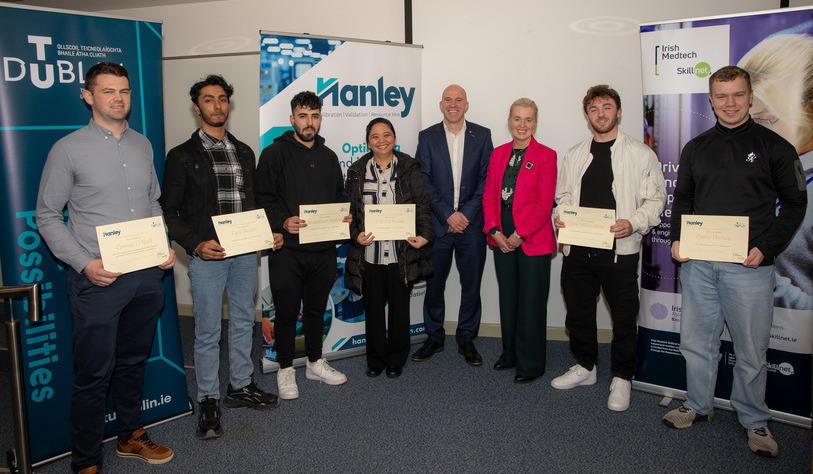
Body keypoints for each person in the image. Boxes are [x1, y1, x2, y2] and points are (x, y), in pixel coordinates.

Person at [36, 62, 176, 473]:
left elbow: (152, 203)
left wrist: (163, 243)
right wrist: (84, 264)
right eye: (108, 91)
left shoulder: (143, 145)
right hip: (97, 280)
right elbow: (47, 215)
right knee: (94, 374)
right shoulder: (68, 149)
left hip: (146, 277)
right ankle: (85, 461)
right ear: (88, 95)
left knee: (134, 363)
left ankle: (131, 436)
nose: (118, 98)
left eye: (125, 91)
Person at [664, 66, 806, 457]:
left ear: (750, 96)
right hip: (699, 266)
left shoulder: (775, 147)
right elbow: (684, 200)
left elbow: (795, 203)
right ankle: (698, 404)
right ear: (710, 100)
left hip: (750, 267)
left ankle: (755, 420)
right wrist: (677, 238)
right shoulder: (696, 147)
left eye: (737, 95)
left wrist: (767, 247)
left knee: (750, 350)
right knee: (696, 342)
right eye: (721, 96)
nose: (729, 103)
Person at [160, 75, 283, 440]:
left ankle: (239, 387)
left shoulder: (245, 151)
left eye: (222, 99)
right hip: (208, 256)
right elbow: (169, 212)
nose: (217, 105)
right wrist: (196, 245)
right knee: (208, 330)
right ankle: (209, 399)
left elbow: (255, 203)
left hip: (246, 254)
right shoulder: (181, 156)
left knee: (245, 320)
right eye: (209, 100)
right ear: (197, 107)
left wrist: (268, 231)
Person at [550, 85, 666, 412]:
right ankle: (586, 367)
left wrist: (634, 222)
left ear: (618, 111)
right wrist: (562, 216)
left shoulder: (640, 153)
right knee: (579, 312)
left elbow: (656, 200)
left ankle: (622, 377)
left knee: (624, 318)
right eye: (594, 109)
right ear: (587, 115)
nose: (600, 114)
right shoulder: (575, 154)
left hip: (621, 251)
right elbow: (564, 198)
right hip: (579, 250)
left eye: (607, 107)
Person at [256, 91, 349, 399]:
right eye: (303, 115)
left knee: (315, 310)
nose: (310, 122)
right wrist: (283, 220)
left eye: (315, 115)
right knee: (285, 312)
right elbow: (263, 197)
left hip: (323, 250)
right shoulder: (274, 154)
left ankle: (313, 362)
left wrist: (343, 217)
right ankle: (285, 369)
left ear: (320, 118)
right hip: (287, 250)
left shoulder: (329, 156)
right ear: (292, 118)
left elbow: (339, 197)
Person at [344, 118, 433, 378]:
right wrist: (355, 236)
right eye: (375, 136)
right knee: (372, 310)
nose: (381, 140)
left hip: (400, 254)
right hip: (369, 255)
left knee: (399, 310)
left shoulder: (408, 167)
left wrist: (425, 235)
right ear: (368, 141)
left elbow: (422, 205)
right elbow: (348, 212)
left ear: (394, 138)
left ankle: (396, 358)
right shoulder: (357, 171)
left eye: (386, 135)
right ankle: (375, 359)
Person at [412, 84, 493, 366]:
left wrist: (465, 215)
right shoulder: (427, 137)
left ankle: (466, 339)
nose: (453, 104)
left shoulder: (482, 136)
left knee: (471, 286)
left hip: (471, 227)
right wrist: (448, 214)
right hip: (439, 225)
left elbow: (487, 180)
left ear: (466, 105)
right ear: (440, 104)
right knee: (434, 286)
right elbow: (423, 181)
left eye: (459, 100)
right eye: (448, 99)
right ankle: (434, 338)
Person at [482, 98, 557, 384]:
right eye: (517, 119)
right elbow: (489, 196)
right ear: (509, 121)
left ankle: (531, 364)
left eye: (527, 120)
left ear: (535, 123)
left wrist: (519, 234)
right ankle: (510, 354)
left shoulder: (546, 155)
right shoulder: (499, 154)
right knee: (508, 298)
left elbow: (543, 203)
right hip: (501, 238)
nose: (522, 125)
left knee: (531, 302)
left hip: (532, 239)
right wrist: (494, 231)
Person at [738, 34, 813, 310]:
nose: (754, 131)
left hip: (795, 339)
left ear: (807, 110)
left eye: (766, 120)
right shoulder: (752, 164)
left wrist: (767, 280)